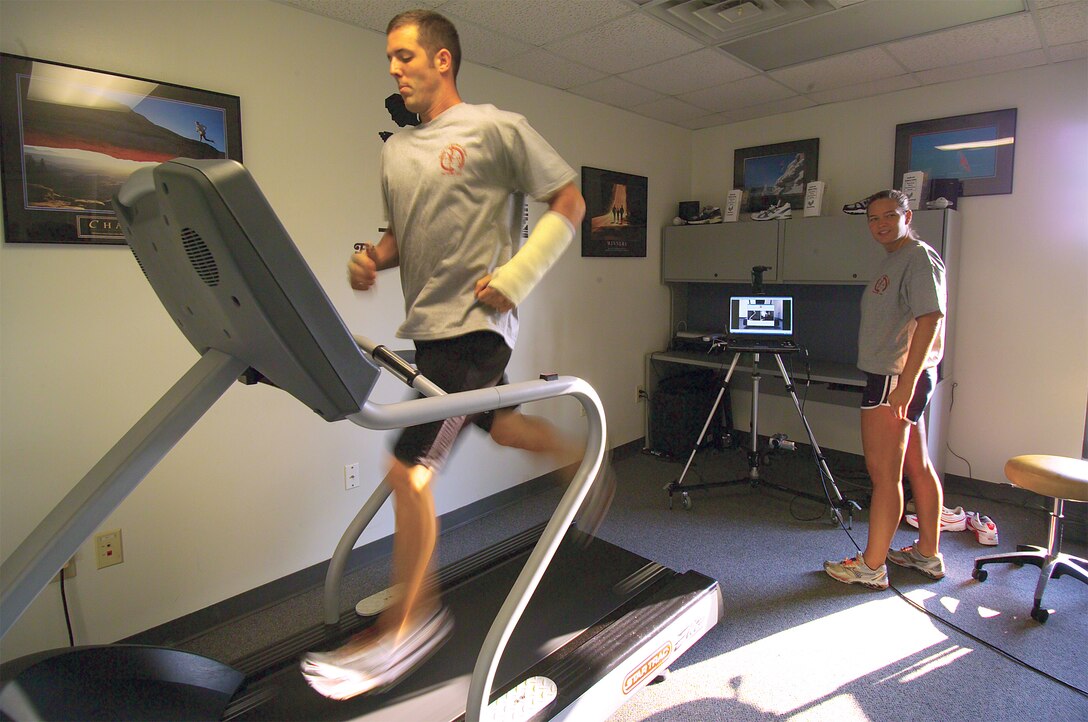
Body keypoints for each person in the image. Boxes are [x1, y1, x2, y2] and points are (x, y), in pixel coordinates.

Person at [301, 9, 595, 700]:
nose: (395, 69)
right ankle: (577, 460)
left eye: (405, 56)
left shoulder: (497, 128)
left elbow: (570, 200)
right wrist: (370, 258)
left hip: (479, 326)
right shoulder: (394, 152)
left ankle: (409, 625)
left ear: (442, 60)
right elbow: (400, 234)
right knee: (506, 424)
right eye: (390, 60)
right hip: (430, 328)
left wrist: (516, 279)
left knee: (409, 472)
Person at [824, 189, 948, 590]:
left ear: (907, 216)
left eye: (888, 216)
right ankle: (927, 554)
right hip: (899, 378)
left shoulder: (918, 257)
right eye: (872, 218)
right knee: (917, 466)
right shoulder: (896, 259)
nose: (879, 224)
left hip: (894, 380)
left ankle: (871, 565)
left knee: (885, 477)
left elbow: (930, 320)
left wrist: (905, 384)